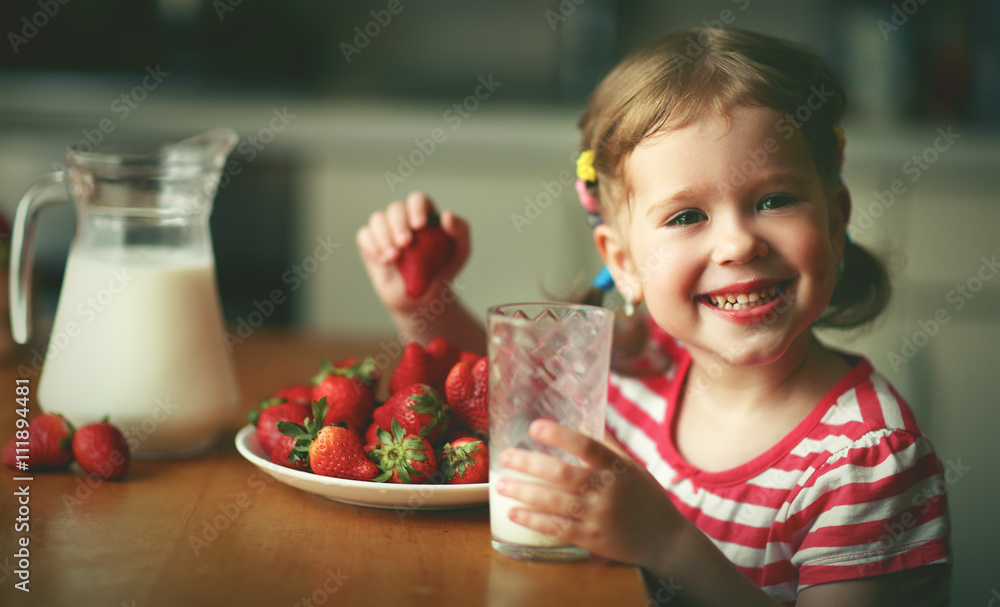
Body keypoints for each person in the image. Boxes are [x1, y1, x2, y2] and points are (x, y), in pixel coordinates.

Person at [356, 28, 951, 607]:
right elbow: (504, 393)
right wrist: (422, 300)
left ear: (835, 219)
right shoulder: (639, 366)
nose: (738, 244)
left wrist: (666, 542)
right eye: (687, 216)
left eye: (774, 200)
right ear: (624, 263)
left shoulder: (866, 463)